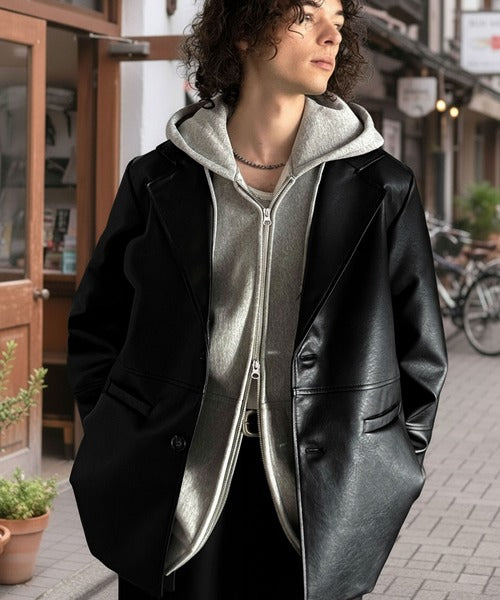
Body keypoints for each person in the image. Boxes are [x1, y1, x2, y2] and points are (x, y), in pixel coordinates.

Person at [67, 0, 448, 599]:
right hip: (176, 487)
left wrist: (388, 462)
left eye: (338, 21)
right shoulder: (159, 179)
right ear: (244, 30)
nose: (330, 35)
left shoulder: (382, 187)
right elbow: (98, 323)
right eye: (305, 15)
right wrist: (117, 432)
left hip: (319, 496)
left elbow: (420, 353)